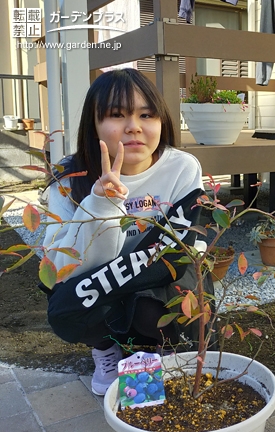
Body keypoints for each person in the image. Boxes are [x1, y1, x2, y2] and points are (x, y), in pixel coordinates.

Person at [42, 68, 208, 396]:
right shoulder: (67, 178)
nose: (134, 126)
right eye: (117, 115)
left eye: (146, 114)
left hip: (153, 279)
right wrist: (101, 204)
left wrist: (124, 281)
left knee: (155, 307)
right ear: (94, 124)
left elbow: (181, 253)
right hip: (102, 277)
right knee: (66, 302)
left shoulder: (181, 168)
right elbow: (61, 267)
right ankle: (107, 348)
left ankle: (148, 352)